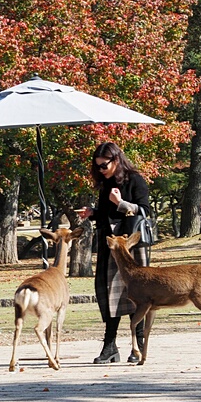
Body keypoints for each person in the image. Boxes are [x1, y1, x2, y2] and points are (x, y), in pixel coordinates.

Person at [77, 142, 150, 364]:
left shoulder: (135, 180)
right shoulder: (105, 184)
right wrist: (93, 213)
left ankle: (138, 346)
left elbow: (145, 211)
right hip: (110, 246)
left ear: (116, 160)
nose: (100, 170)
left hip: (131, 246)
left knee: (137, 293)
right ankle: (110, 346)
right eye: (97, 166)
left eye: (104, 165)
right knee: (110, 293)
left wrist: (120, 203)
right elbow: (106, 216)